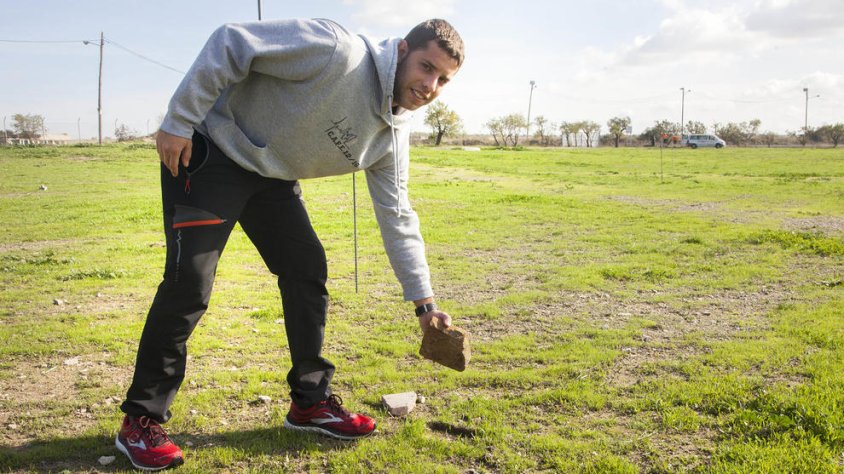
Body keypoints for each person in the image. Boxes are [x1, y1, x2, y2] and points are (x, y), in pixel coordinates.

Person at [114, 17, 464, 471]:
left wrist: (425, 305)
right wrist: (180, 119)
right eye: (425, 67)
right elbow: (233, 41)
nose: (430, 85)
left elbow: (398, 215)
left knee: (306, 268)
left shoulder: (393, 133)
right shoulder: (337, 51)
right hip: (210, 151)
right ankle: (139, 422)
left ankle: (310, 403)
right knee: (190, 283)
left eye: (443, 80)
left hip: (271, 176)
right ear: (400, 51)